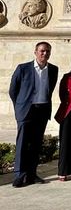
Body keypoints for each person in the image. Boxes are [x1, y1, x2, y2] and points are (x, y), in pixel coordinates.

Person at [9, 41, 59, 187]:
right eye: (42, 51)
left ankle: (31, 173)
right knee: (23, 142)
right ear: (35, 52)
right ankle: (19, 175)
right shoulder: (23, 68)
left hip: (42, 110)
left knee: (36, 144)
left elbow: (50, 89)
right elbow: (13, 90)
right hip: (26, 110)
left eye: (48, 51)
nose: (45, 54)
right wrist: (19, 107)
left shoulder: (53, 70)